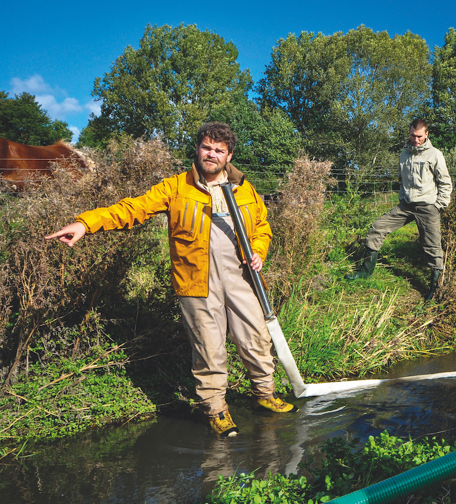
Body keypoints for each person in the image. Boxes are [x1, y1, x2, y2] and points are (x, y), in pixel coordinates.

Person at [45, 122, 296, 438]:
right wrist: (86, 224)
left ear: (229, 155)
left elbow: (261, 227)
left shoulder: (244, 188)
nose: (211, 154)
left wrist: (258, 249)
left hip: (242, 278)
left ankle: (265, 395)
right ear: (198, 148)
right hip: (196, 284)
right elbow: (132, 209)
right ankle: (217, 410)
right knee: (209, 347)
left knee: (256, 338)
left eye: (219, 150)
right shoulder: (176, 187)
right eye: (207, 147)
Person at [345, 118, 452, 301]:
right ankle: (365, 272)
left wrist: (438, 205)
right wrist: (403, 197)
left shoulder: (435, 155)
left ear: (426, 134)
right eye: (412, 135)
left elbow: (445, 182)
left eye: (419, 136)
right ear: (409, 133)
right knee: (377, 227)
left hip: (427, 207)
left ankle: (435, 289)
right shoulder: (404, 154)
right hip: (406, 205)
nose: (415, 140)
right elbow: (401, 180)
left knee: (432, 247)